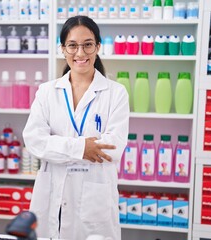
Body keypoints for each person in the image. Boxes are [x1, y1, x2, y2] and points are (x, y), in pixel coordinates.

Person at [22, 15, 129, 239]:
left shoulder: (116, 93)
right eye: (72, 45)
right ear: (63, 49)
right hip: (52, 197)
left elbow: (112, 148)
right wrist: (82, 148)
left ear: (98, 47)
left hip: (93, 201)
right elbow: (34, 140)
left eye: (87, 45)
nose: (80, 53)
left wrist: (57, 148)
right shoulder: (47, 92)